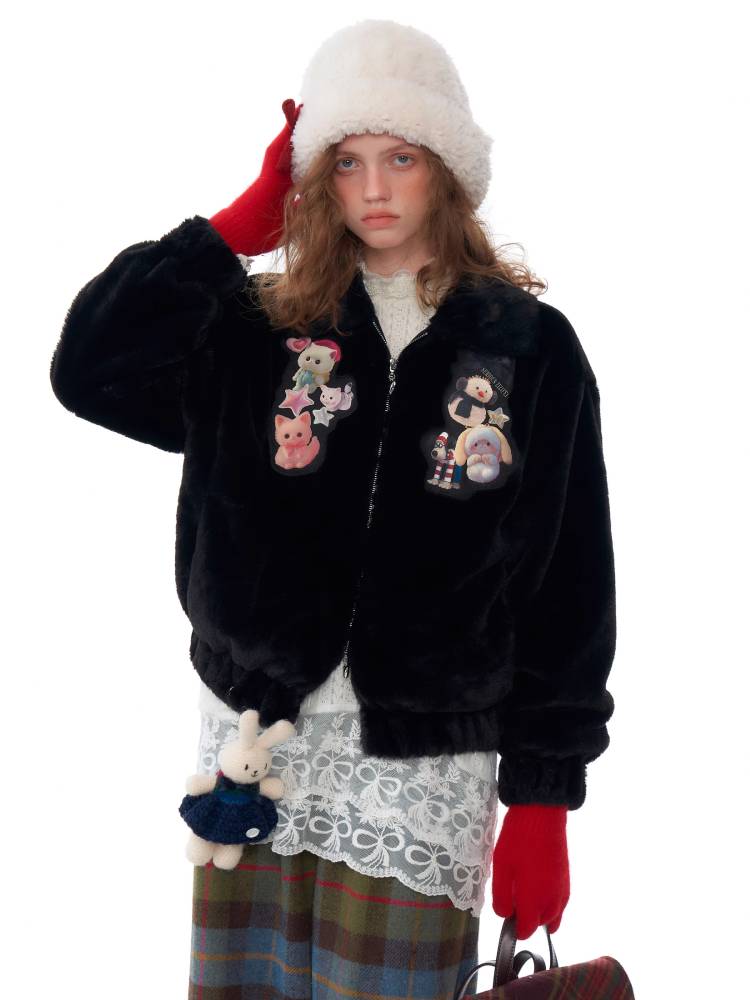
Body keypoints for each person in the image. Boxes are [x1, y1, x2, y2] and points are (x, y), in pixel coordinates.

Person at [49, 17, 618, 1000]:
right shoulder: (257, 328)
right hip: (253, 746)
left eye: (402, 156)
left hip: (420, 767)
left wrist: (543, 797)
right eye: (346, 161)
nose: (375, 188)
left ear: (447, 167)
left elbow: (568, 581)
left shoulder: (528, 347)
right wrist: (231, 230)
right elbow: (89, 370)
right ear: (314, 176)